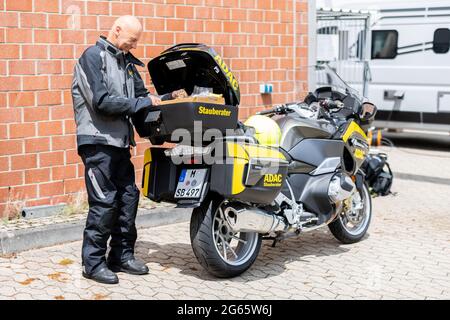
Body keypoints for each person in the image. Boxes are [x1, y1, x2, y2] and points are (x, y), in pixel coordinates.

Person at [71, 15, 186, 284]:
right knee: (104, 202)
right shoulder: (92, 57)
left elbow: (142, 100)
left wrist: (168, 102)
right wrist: (143, 102)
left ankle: (121, 256)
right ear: (117, 30)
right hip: (97, 144)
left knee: (127, 199)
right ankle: (93, 263)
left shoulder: (126, 65)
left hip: (121, 145)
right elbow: (101, 102)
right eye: (131, 40)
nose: (134, 46)